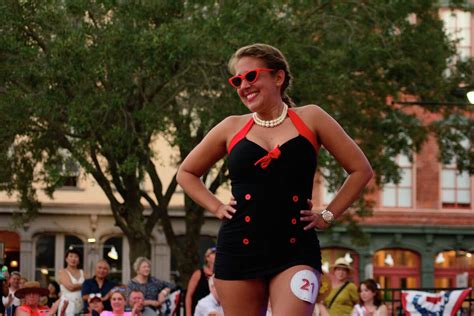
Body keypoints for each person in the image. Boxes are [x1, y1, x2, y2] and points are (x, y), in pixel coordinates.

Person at [176, 43, 373, 316]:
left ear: (278, 77)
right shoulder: (231, 126)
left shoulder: (311, 117)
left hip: (296, 248)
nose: (243, 85)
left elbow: (361, 170)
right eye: (237, 80)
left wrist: (328, 215)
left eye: (251, 76)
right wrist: (217, 207)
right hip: (238, 247)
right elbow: (186, 173)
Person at [185, 246, 216, 316]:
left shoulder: (219, 275)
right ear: (207, 258)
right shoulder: (198, 274)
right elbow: (189, 295)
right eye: (214, 253)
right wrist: (188, 314)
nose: (216, 255)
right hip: (198, 311)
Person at [58, 248, 87, 315]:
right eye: (71, 256)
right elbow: (70, 287)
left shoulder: (84, 273)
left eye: (76, 257)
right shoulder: (62, 272)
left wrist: (82, 285)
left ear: (79, 260)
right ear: (66, 259)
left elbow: (90, 286)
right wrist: (84, 285)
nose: (73, 259)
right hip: (67, 305)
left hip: (81, 304)